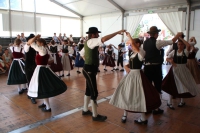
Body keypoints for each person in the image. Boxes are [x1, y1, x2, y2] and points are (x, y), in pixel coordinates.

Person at [110, 33, 161, 124]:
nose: (131, 46)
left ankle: (143, 118)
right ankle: (126, 114)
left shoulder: (141, 52)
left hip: (137, 75)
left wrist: (130, 36)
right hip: (131, 75)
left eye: (132, 44)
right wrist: (126, 66)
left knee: (139, 95)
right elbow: (131, 63)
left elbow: (138, 58)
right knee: (127, 94)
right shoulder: (133, 53)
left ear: (138, 44)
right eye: (131, 44)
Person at [80, 27, 126, 122]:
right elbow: (104, 39)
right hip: (89, 70)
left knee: (89, 90)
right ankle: (95, 115)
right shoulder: (92, 41)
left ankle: (85, 110)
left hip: (89, 69)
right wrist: (117, 32)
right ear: (93, 34)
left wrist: (88, 61)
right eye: (97, 33)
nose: (98, 35)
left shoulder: (88, 42)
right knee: (94, 91)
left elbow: (81, 53)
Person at [143, 26, 182, 114]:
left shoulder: (144, 43)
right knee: (157, 87)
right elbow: (171, 41)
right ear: (156, 34)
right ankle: (156, 109)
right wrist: (178, 35)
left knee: (148, 88)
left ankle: (148, 107)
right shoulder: (158, 42)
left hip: (147, 67)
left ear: (150, 34)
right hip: (156, 68)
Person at [27, 35, 67, 112]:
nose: (37, 44)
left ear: (41, 43)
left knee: (43, 88)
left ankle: (48, 107)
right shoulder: (46, 49)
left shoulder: (42, 49)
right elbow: (51, 60)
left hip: (41, 69)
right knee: (43, 87)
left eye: (38, 43)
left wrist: (35, 37)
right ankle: (45, 103)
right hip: (44, 68)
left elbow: (30, 43)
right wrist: (44, 62)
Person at [162, 38, 199, 109]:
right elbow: (167, 58)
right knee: (172, 85)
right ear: (177, 45)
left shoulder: (185, 51)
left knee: (183, 84)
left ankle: (182, 101)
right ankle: (169, 102)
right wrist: (171, 61)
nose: (180, 46)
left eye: (181, 44)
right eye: (179, 44)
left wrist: (181, 38)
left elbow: (188, 45)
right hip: (174, 70)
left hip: (183, 69)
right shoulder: (174, 51)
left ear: (184, 45)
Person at [24, 34, 37, 104]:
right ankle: (32, 96)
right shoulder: (26, 46)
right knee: (30, 81)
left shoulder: (34, 46)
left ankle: (31, 94)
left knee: (33, 81)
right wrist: (35, 37)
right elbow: (29, 42)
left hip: (34, 65)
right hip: (28, 66)